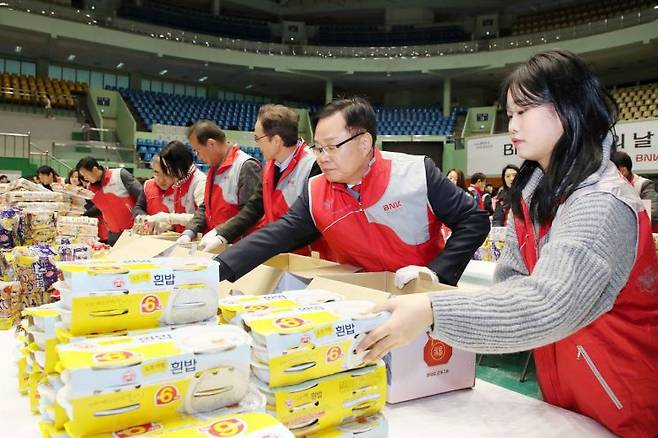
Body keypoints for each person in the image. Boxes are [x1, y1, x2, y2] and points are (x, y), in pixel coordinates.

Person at [357, 49, 658, 437]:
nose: (511, 124)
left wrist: (433, 311)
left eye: (523, 111)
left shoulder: (602, 203)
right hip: (566, 391)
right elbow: (513, 285)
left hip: (624, 398)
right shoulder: (532, 196)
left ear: (568, 108)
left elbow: (549, 303)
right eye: (509, 114)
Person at [215, 97, 490, 287]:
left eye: (331, 147)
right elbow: (275, 235)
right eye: (318, 148)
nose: (321, 157)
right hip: (360, 297)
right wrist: (215, 270)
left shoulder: (417, 173)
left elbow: (474, 221)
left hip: (420, 298)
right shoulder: (316, 190)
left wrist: (436, 272)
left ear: (364, 143)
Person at [200, 104, 325, 255]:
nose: (256, 144)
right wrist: (221, 233)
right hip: (282, 252)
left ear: (277, 141)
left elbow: (311, 223)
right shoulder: (270, 166)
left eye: (257, 138)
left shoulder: (314, 165)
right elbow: (254, 207)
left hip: (312, 258)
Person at [176, 121, 262, 249]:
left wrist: (221, 234)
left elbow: (250, 213)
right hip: (218, 245)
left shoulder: (246, 166)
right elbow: (205, 206)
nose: (197, 156)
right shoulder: (214, 167)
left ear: (211, 144)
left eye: (198, 150)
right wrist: (189, 232)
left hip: (239, 247)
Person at [134, 142, 206, 233]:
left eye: (168, 169)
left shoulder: (200, 181)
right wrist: (166, 226)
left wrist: (166, 217)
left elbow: (203, 217)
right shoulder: (179, 181)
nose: (168, 172)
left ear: (180, 164)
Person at [76, 157, 142, 245]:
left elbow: (142, 196)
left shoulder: (119, 175)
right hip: (113, 234)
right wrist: (82, 215)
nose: (84, 178)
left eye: (85, 174)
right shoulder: (90, 188)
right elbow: (100, 207)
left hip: (132, 231)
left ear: (95, 169)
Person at [611, 150, 658, 231]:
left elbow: (651, 213)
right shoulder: (610, 187)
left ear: (623, 171)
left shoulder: (643, 185)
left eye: (611, 171)